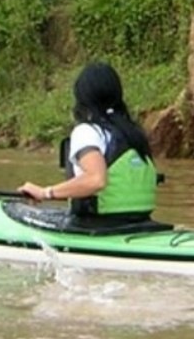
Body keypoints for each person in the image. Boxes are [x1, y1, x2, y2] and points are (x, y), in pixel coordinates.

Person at [17, 61, 160, 226]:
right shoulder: (134, 133)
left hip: (99, 225)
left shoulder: (87, 132)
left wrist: (45, 192)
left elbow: (96, 180)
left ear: (81, 97)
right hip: (141, 223)